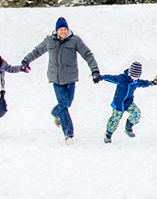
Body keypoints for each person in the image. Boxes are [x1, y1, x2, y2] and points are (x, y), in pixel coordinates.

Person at [21, 17, 101, 145]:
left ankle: (55, 112)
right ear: (56, 30)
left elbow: (87, 54)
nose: (63, 32)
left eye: (65, 29)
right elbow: (37, 51)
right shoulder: (49, 41)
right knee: (63, 105)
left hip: (70, 77)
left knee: (68, 102)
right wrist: (26, 61)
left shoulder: (75, 40)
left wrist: (95, 70)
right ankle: (68, 134)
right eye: (61, 29)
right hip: (56, 78)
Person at [101, 61, 153, 144]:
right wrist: (101, 77)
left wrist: (151, 83)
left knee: (137, 113)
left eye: (137, 77)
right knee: (115, 119)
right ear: (129, 73)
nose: (135, 78)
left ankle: (128, 127)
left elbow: (143, 83)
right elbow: (111, 78)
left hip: (128, 103)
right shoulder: (122, 78)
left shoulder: (136, 81)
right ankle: (108, 134)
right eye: (133, 76)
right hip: (118, 104)